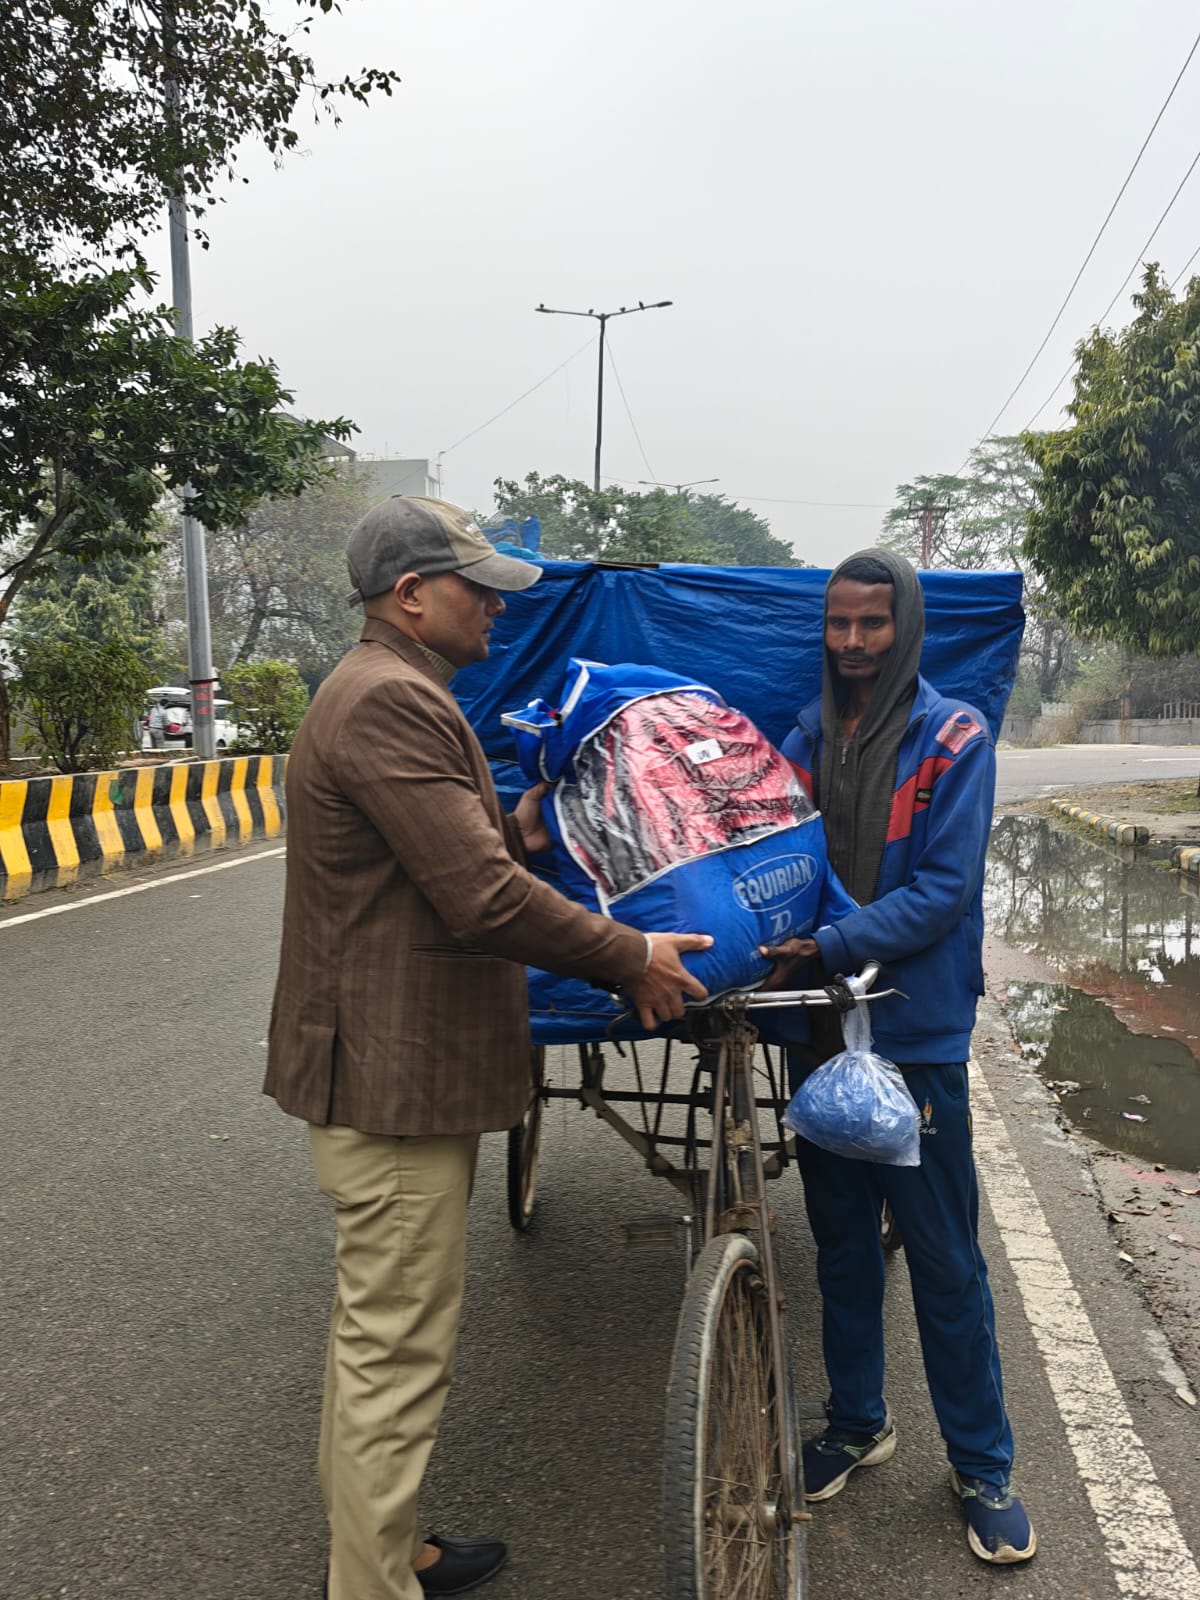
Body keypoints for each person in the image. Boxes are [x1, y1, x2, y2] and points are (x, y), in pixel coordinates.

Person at [264, 495, 712, 1600]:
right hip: (391, 1079)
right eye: (479, 589)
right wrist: (629, 955)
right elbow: (475, 897)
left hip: (389, 1070)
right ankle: (371, 1584)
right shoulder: (388, 702)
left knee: (379, 1335)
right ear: (412, 596)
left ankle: (387, 1542)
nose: (499, 611)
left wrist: (529, 818)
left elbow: (453, 852)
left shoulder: (397, 691)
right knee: (397, 1348)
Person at [760, 548, 1036, 1566]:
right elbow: (767, 864)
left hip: (910, 1031)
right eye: (839, 624)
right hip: (818, 1029)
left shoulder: (954, 736)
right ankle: (856, 1419)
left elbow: (946, 892)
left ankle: (982, 1462)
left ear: (905, 627)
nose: (854, 644)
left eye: (873, 624)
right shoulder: (799, 739)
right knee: (837, 1241)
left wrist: (829, 943)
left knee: (943, 1255)